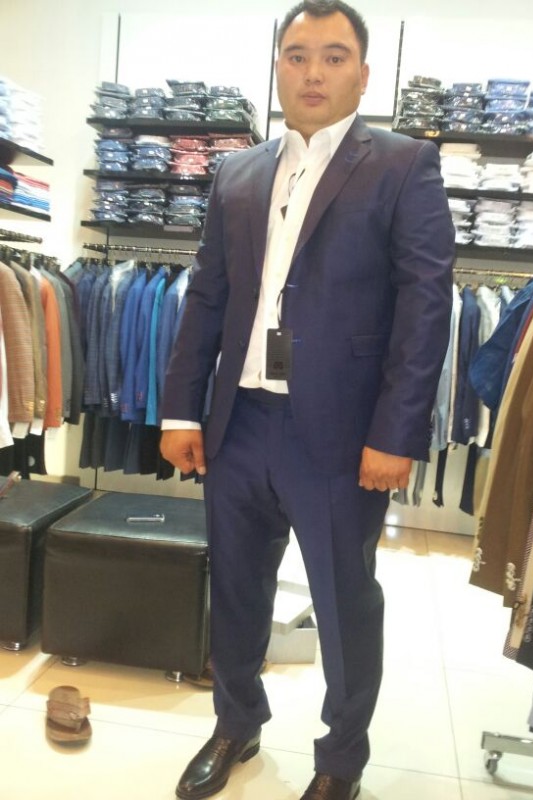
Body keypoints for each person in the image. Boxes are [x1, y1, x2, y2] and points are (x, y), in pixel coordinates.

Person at [160, 1, 455, 798]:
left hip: (341, 435)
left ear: (364, 73)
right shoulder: (238, 172)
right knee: (237, 589)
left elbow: (425, 304)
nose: (313, 72)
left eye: (333, 55)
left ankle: (340, 762)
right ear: (278, 69)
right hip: (239, 423)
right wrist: (182, 410)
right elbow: (207, 296)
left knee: (344, 602)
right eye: (297, 56)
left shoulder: (403, 165)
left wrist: (396, 432)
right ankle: (236, 723)